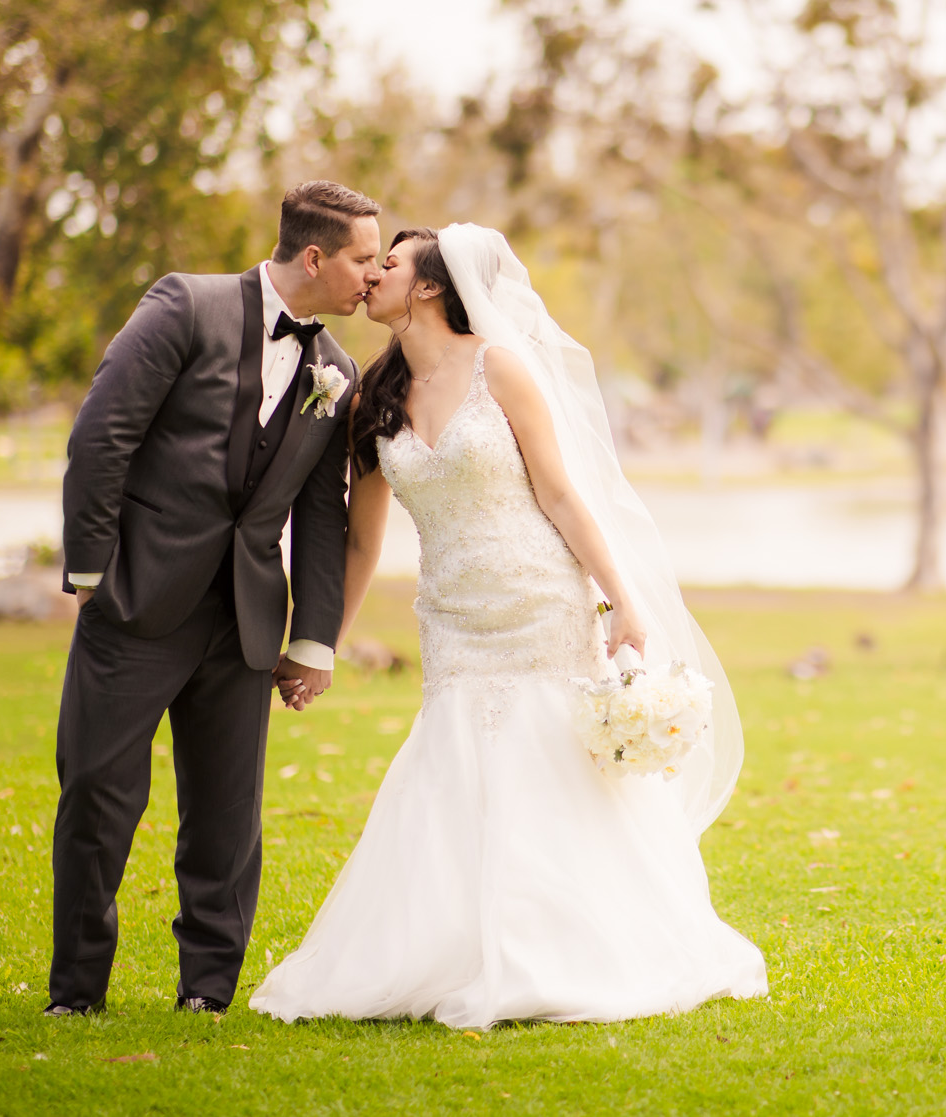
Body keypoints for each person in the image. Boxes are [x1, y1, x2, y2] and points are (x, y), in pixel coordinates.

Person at [248, 223, 765, 1028]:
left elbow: (561, 495)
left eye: (391, 263)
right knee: (454, 766)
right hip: (452, 621)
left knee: (552, 769)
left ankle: (572, 946)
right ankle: (444, 949)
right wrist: (325, 646)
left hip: (539, 602)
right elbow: (363, 538)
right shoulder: (369, 399)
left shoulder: (502, 369)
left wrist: (621, 600)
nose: (374, 274)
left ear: (426, 286)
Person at [49, 181, 381, 1016]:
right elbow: (104, 431)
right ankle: (77, 990)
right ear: (314, 256)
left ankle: (208, 989)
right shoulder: (184, 306)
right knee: (97, 793)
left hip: (245, 621)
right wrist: (91, 568)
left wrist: (314, 638)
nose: (372, 278)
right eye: (362, 259)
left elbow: (319, 510)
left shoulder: (335, 370)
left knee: (227, 818)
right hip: (135, 602)